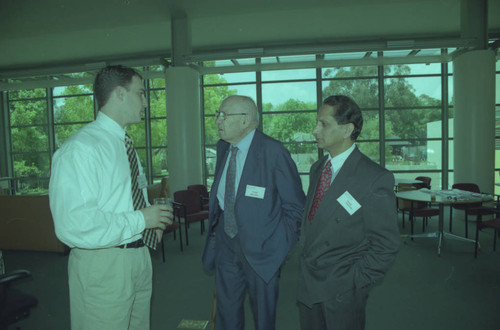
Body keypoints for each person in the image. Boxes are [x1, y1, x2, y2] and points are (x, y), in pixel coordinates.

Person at [49, 65, 172, 330]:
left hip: (138, 257)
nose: (146, 103)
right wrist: (141, 220)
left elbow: (124, 200)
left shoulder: (123, 143)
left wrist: (150, 226)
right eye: (140, 93)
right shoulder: (80, 149)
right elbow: (74, 226)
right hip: (103, 265)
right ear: (119, 93)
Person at [202, 95, 305, 330]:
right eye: (218, 115)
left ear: (245, 120)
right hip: (226, 244)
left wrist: (277, 248)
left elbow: (295, 207)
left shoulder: (273, 151)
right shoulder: (223, 148)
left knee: (263, 318)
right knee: (226, 314)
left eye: (224, 115)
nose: (218, 121)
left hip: (263, 251)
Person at [297, 95, 400, 330]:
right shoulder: (318, 169)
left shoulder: (374, 177)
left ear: (347, 130)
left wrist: (354, 283)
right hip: (308, 284)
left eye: (323, 124)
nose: (315, 130)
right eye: (317, 123)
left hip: (341, 291)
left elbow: (386, 244)